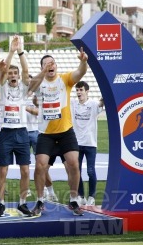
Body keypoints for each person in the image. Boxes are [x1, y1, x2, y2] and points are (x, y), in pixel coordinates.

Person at [28, 47, 88, 216]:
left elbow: (80, 73)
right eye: (46, 64)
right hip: (46, 134)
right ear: (42, 68)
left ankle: (74, 199)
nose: (50, 66)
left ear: (57, 65)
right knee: (40, 166)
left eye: (52, 63)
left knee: (74, 163)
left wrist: (83, 61)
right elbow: (31, 88)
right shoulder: (40, 83)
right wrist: (42, 73)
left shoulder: (65, 79)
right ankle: (40, 201)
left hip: (65, 131)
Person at [0, 36, 33, 217]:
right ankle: (1, 202)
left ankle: (22, 203)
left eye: (14, 74)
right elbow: (0, 74)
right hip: (6, 133)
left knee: (25, 170)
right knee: (3, 169)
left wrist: (20, 51)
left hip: (22, 133)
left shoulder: (23, 90)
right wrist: (10, 52)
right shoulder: (3, 89)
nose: (12, 76)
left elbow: (26, 70)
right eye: (10, 73)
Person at [70, 81, 104, 206]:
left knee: (90, 171)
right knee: (76, 171)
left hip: (90, 143)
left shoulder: (93, 104)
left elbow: (102, 103)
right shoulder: (73, 103)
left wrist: (106, 92)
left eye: (81, 90)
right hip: (76, 143)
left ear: (87, 91)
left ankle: (91, 197)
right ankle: (81, 196)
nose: (79, 92)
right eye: (77, 90)